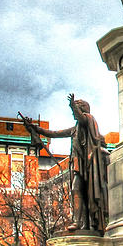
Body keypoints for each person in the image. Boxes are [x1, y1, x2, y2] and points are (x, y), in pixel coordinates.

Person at [21, 94, 110, 234]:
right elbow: (53, 133)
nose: (75, 114)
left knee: (86, 192)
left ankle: (88, 223)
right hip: (79, 165)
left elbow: (81, 117)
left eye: (78, 109)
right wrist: (34, 127)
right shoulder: (74, 129)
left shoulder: (88, 120)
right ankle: (78, 222)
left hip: (90, 165)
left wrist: (72, 105)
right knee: (76, 189)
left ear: (83, 110)